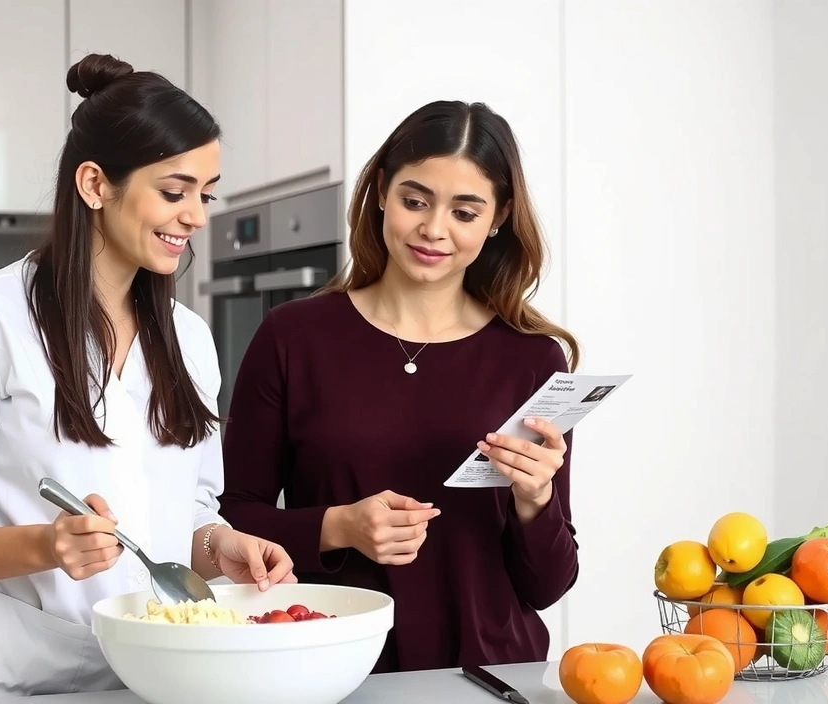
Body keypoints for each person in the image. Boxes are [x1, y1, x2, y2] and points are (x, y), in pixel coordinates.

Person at [0, 54, 295, 704]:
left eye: (205, 194)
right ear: (96, 184)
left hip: (159, 681)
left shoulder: (187, 337)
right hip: (13, 688)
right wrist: (45, 545)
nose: (197, 217)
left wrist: (222, 545)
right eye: (174, 190)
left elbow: (185, 509)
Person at [218, 100, 582, 673]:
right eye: (416, 201)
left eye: (465, 212)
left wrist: (536, 502)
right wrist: (339, 526)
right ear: (382, 190)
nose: (434, 230)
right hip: (329, 669)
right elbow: (232, 518)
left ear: (498, 218)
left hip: (488, 678)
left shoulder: (532, 359)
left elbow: (548, 586)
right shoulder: (291, 337)